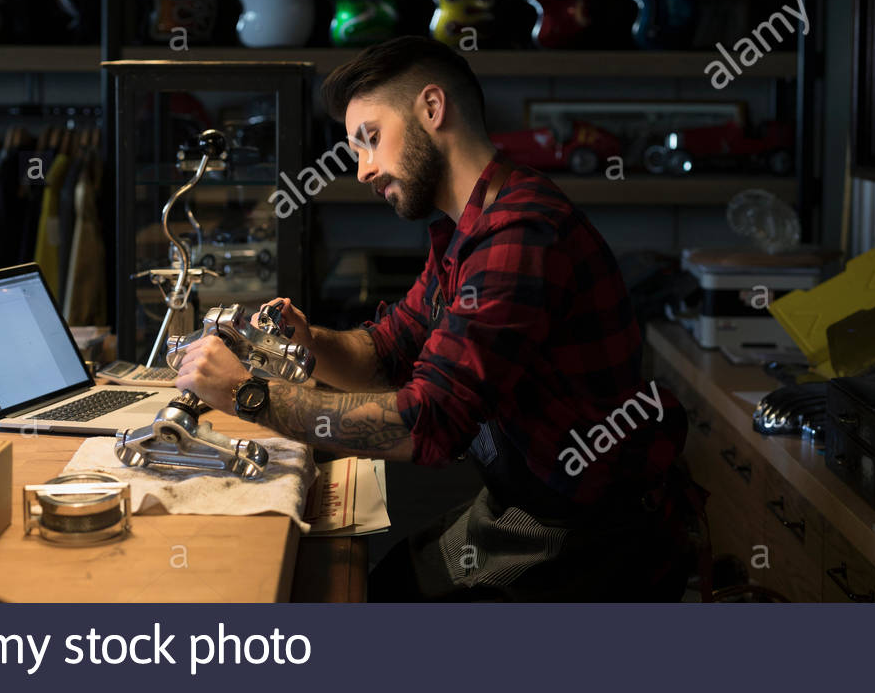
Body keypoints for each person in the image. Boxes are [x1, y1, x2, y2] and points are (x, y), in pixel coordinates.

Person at [175, 35, 695, 600]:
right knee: (381, 579)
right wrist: (309, 341)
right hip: (523, 504)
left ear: (431, 108)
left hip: (588, 534)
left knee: (370, 595)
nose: (364, 170)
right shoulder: (464, 230)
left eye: (370, 140)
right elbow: (389, 353)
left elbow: (429, 424)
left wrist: (248, 394)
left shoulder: (520, 234)